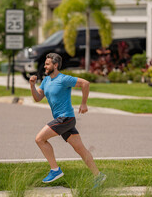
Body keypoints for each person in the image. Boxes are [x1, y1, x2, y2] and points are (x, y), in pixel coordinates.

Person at [29, 53, 106, 187]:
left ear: (56, 65)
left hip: (65, 118)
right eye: (45, 64)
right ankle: (98, 176)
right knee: (80, 149)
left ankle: (55, 170)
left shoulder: (64, 79)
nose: (45, 66)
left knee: (40, 139)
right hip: (63, 119)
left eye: (47, 64)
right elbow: (38, 98)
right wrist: (32, 85)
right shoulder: (46, 80)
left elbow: (85, 83)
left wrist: (84, 103)